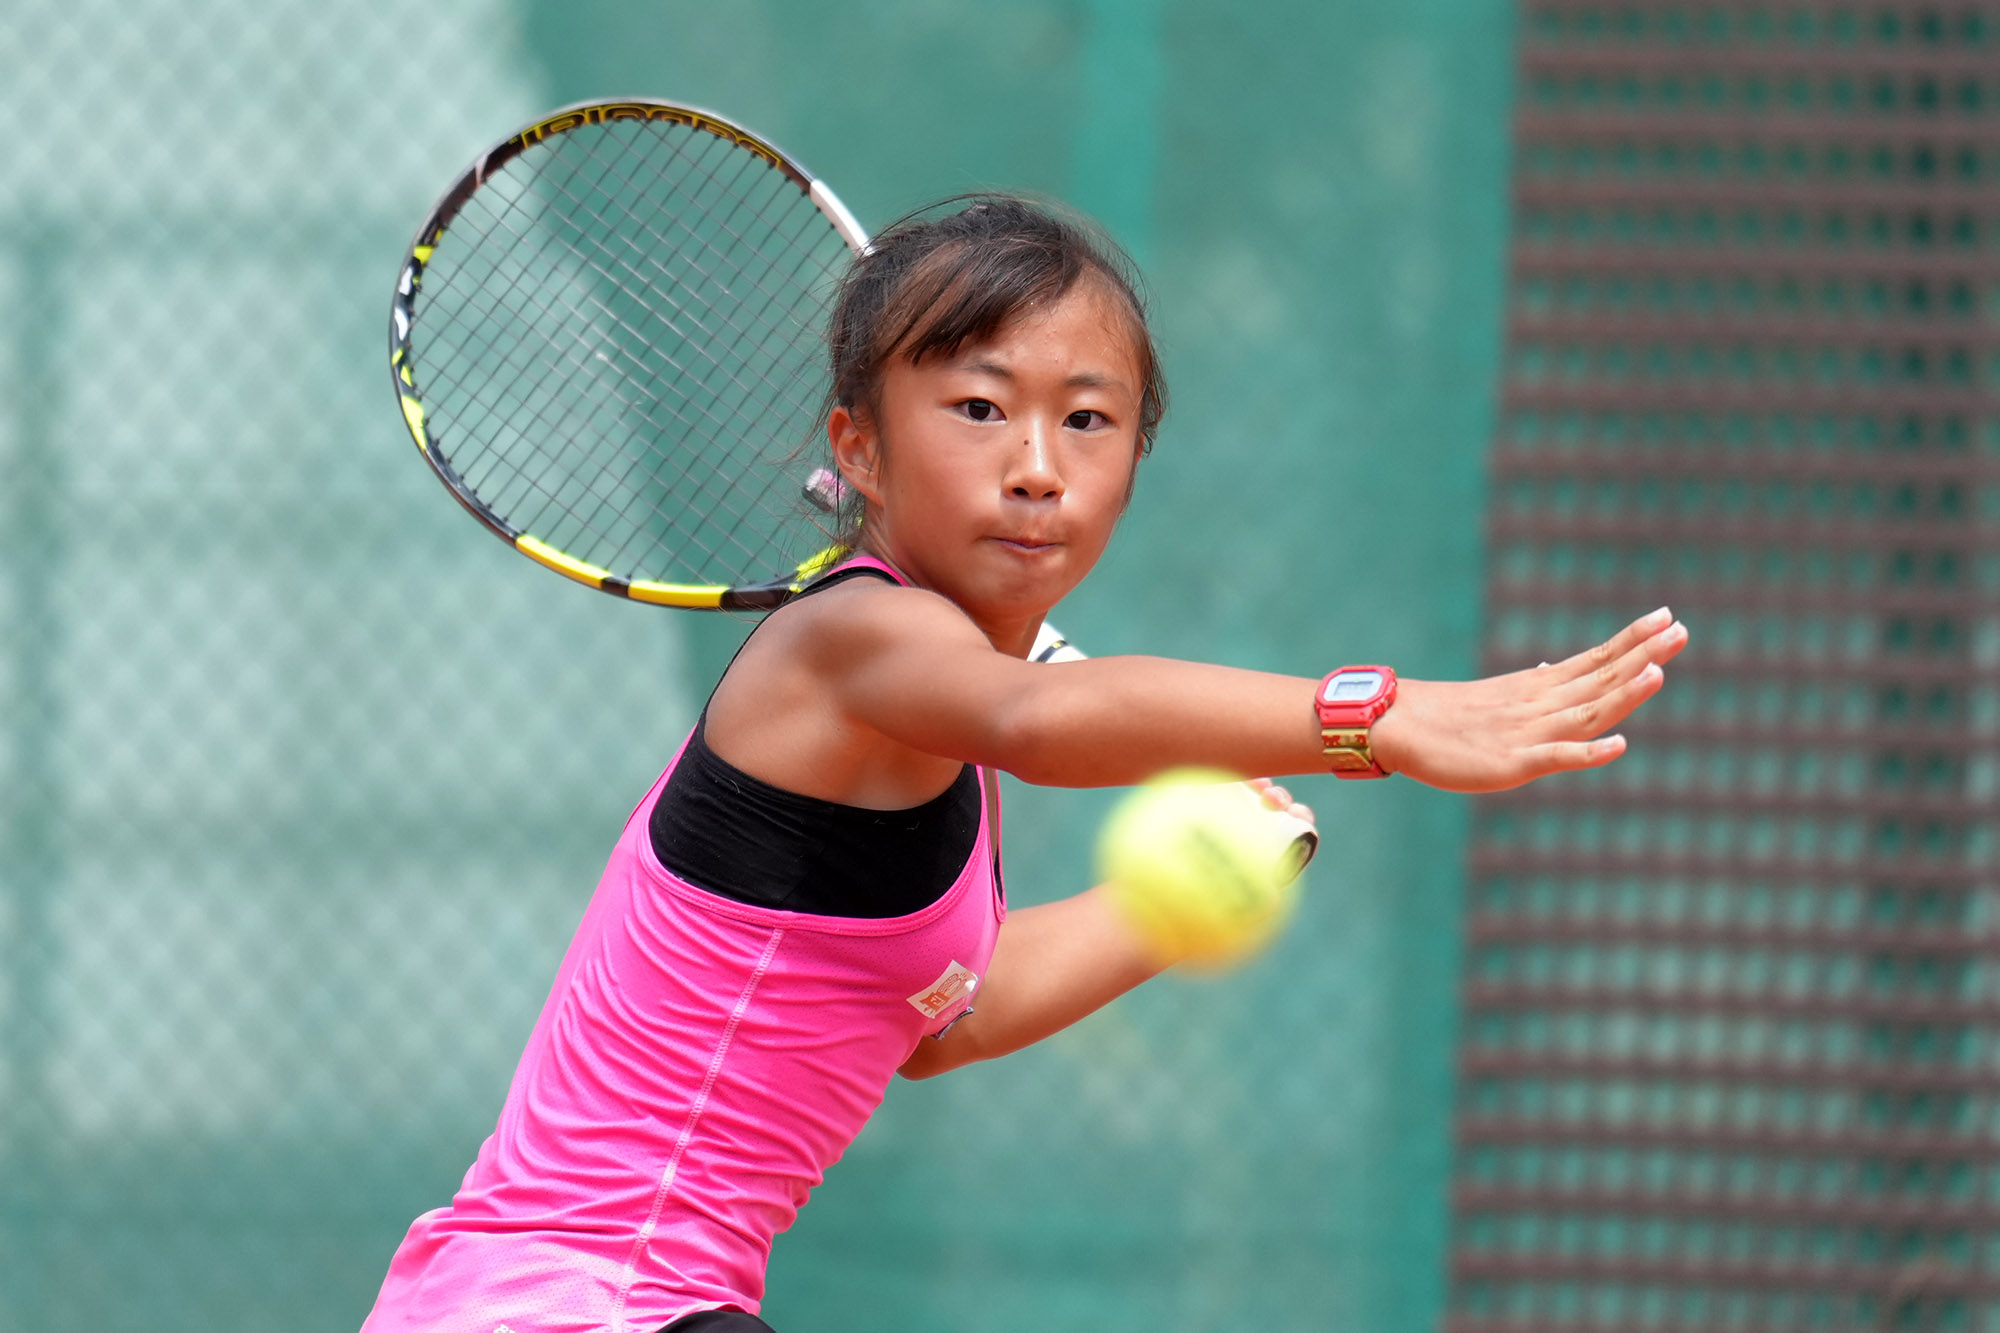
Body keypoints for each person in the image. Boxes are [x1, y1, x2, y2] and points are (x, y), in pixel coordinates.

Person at [359, 195, 1687, 1333]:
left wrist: (1179, 897)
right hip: (572, 1296)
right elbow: (1052, 722)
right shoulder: (857, 640)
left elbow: (941, 1020)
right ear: (860, 451)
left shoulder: (936, 733)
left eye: (1088, 420)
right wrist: (1372, 719)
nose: (1038, 467)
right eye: (981, 408)